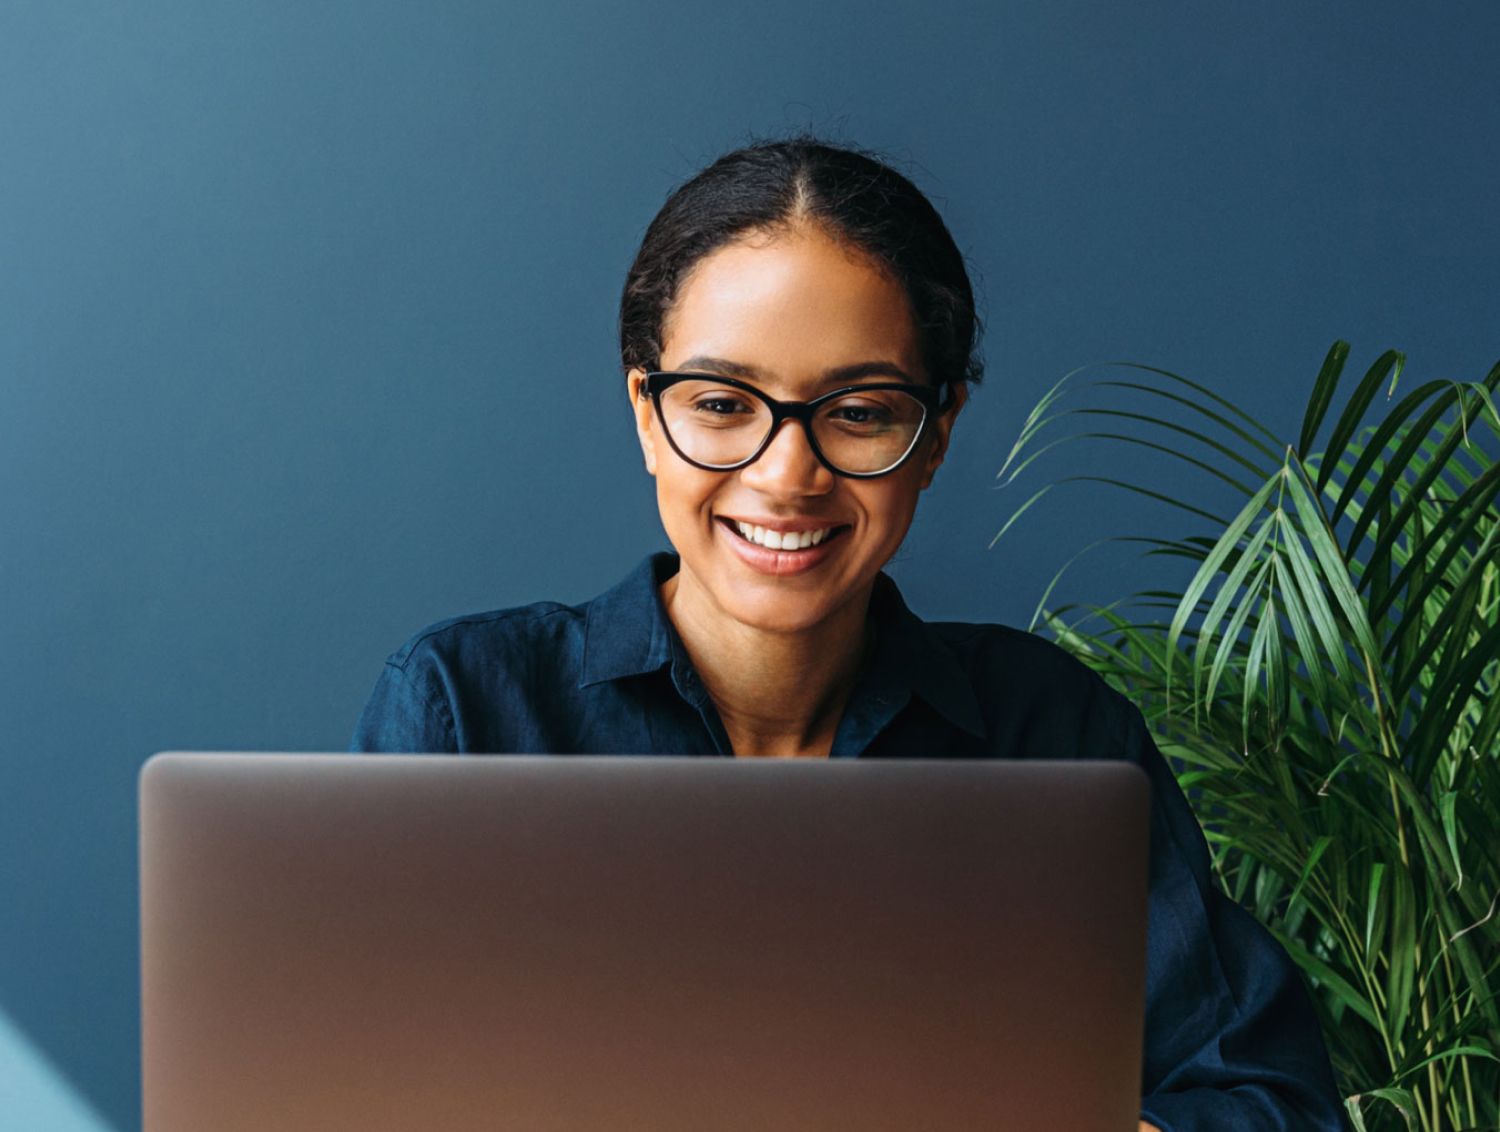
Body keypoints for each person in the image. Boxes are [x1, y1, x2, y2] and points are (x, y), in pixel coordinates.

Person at [350, 133, 1347, 1130]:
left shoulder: (1053, 734)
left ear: (939, 431)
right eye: (722, 404)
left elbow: (1274, 1102)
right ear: (648, 417)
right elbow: (347, 1088)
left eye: (861, 411)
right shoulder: (466, 709)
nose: (787, 474)